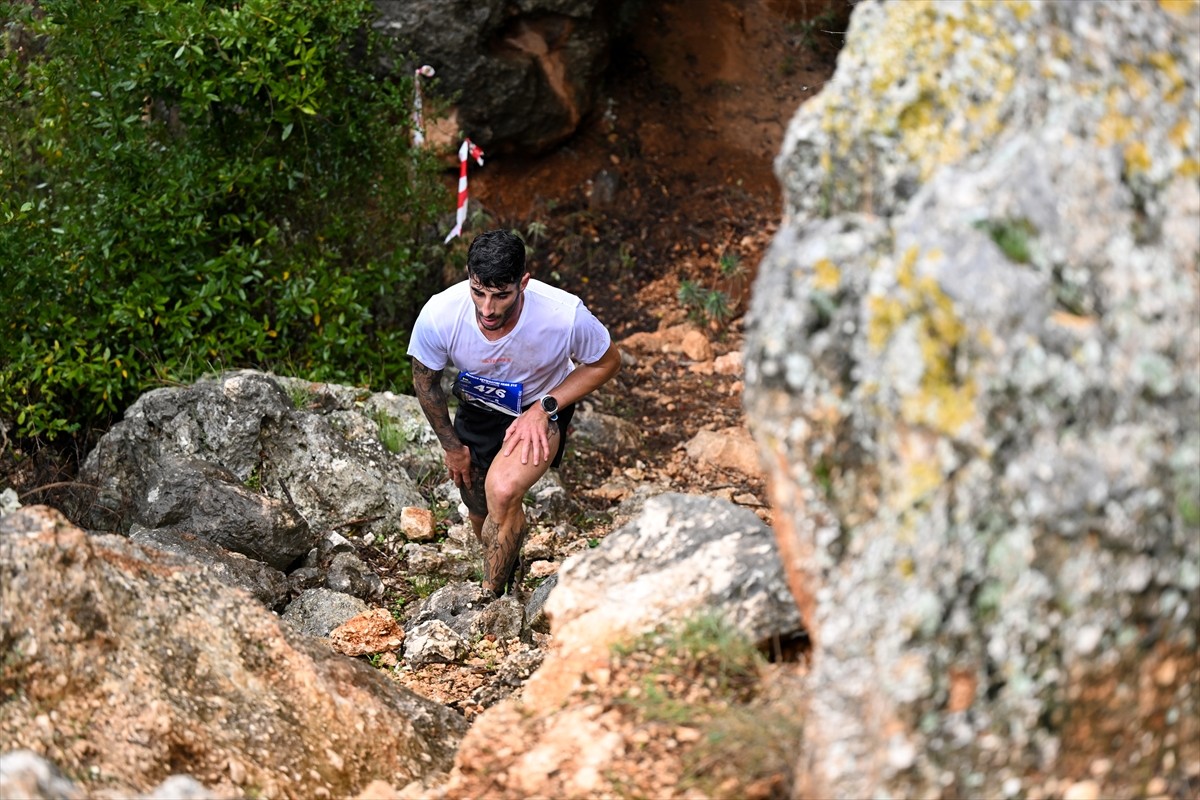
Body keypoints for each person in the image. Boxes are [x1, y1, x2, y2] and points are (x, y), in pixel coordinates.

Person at [408, 229, 621, 596]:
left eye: (501, 295)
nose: (487, 309)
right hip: (478, 408)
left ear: (523, 283)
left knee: (503, 491)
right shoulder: (440, 314)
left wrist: (546, 407)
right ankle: (509, 563)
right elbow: (426, 383)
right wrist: (452, 447)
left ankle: (491, 599)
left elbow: (607, 362)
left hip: (539, 408)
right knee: (480, 510)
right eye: (478, 292)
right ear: (469, 277)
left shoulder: (563, 315)